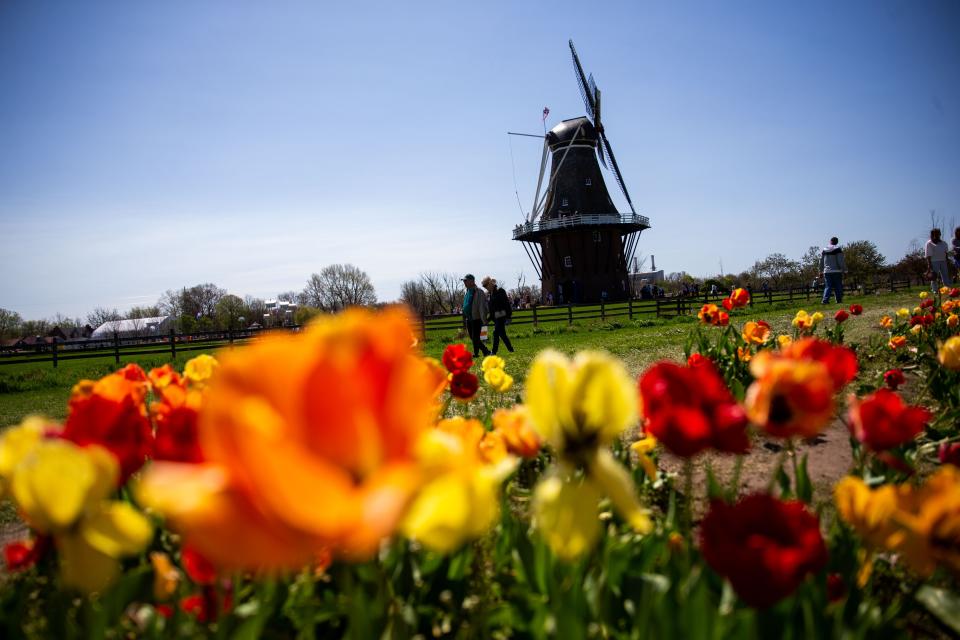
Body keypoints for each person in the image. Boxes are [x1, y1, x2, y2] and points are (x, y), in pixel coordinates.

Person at [482, 276, 514, 354]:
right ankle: (511, 349)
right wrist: (488, 320)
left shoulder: (500, 291)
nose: (485, 288)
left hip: (502, 316)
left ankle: (494, 351)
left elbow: (506, 304)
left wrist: (509, 316)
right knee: (502, 334)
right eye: (484, 287)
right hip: (496, 318)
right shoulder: (490, 295)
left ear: (490, 284)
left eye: (486, 286)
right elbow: (492, 311)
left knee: (495, 333)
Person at [461, 274, 490, 357]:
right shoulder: (467, 291)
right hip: (469, 318)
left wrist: (483, 319)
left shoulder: (479, 292)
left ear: (472, 281)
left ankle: (481, 352)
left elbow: (482, 306)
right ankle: (482, 352)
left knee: (475, 337)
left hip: (476, 318)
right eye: (464, 281)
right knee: (472, 337)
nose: (464, 282)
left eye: (466, 280)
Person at [820, 237, 847, 304]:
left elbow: (821, 261)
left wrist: (820, 271)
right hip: (837, 271)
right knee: (838, 286)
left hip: (827, 271)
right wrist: (845, 270)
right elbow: (840, 261)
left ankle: (825, 300)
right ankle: (838, 300)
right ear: (837, 242)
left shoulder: (824, 250)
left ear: (830, 241)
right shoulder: (838, 249)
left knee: (828, 286)